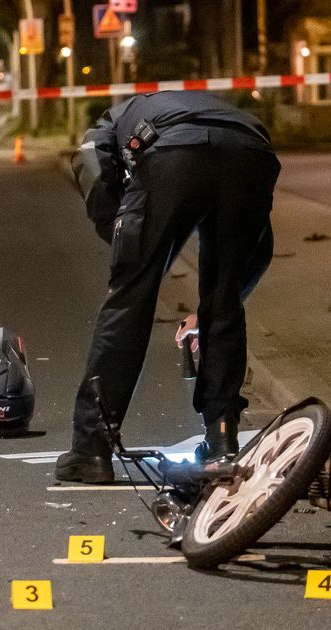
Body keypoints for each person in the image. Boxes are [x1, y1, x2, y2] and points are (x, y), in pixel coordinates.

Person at [56, 91, 281, 484]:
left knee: (130, 300)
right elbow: (258, 250)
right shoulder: (209, 111)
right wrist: (220, 300)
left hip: (174, 155)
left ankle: (92, 448)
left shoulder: (107, 126)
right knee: (224, 303)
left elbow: (92, 172)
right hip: (253, 155)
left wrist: (128, 248)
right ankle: (223, 443)